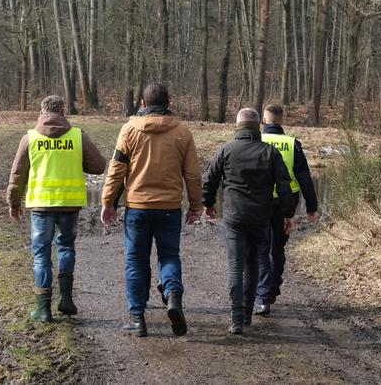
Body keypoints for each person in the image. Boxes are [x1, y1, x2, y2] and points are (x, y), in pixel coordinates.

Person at [100, 83, 203, 337]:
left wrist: (108, 202)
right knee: (169, 256)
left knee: (135, 260)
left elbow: (116, 170)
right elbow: (192, 175)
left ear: (143, 104)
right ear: (169, 103)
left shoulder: (129, 130)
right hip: (169, 207)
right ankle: (172, 295)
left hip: (137, 207)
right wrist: (195, 205)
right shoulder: (183, 133)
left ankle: (137, 318)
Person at [7, 95, 106, 323]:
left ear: (41, 112)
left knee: (41, 255)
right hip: (69, 205)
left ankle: (43, 310)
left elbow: (17, 176)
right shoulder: (77, 136)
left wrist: (13, 203)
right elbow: (99, 166)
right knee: (66, 247)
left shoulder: (29, 138)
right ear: (63, 112)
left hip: (41, 206)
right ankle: (66, 299)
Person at [202, 108, 295, 335]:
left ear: (237, 127)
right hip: (260, 217)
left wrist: (208, 203)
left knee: (236, 264)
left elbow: (209, 178)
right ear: (258, 127)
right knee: (252, 262)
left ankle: (235, 320)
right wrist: (287, 213)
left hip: (234, 216)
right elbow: (285, 186)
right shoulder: (270, 152)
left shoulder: (226, 150)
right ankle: (246, 315)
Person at [254, 104, 319, 316]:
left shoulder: (257, 141)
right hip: (287, 202)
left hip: (261, 200)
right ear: (281, 121)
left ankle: (263, 296)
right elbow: (304, 178)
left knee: (261, 248)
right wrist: (311, 206)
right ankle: (273, 288)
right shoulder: (292, 144)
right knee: (278, 248)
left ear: (263, 120)